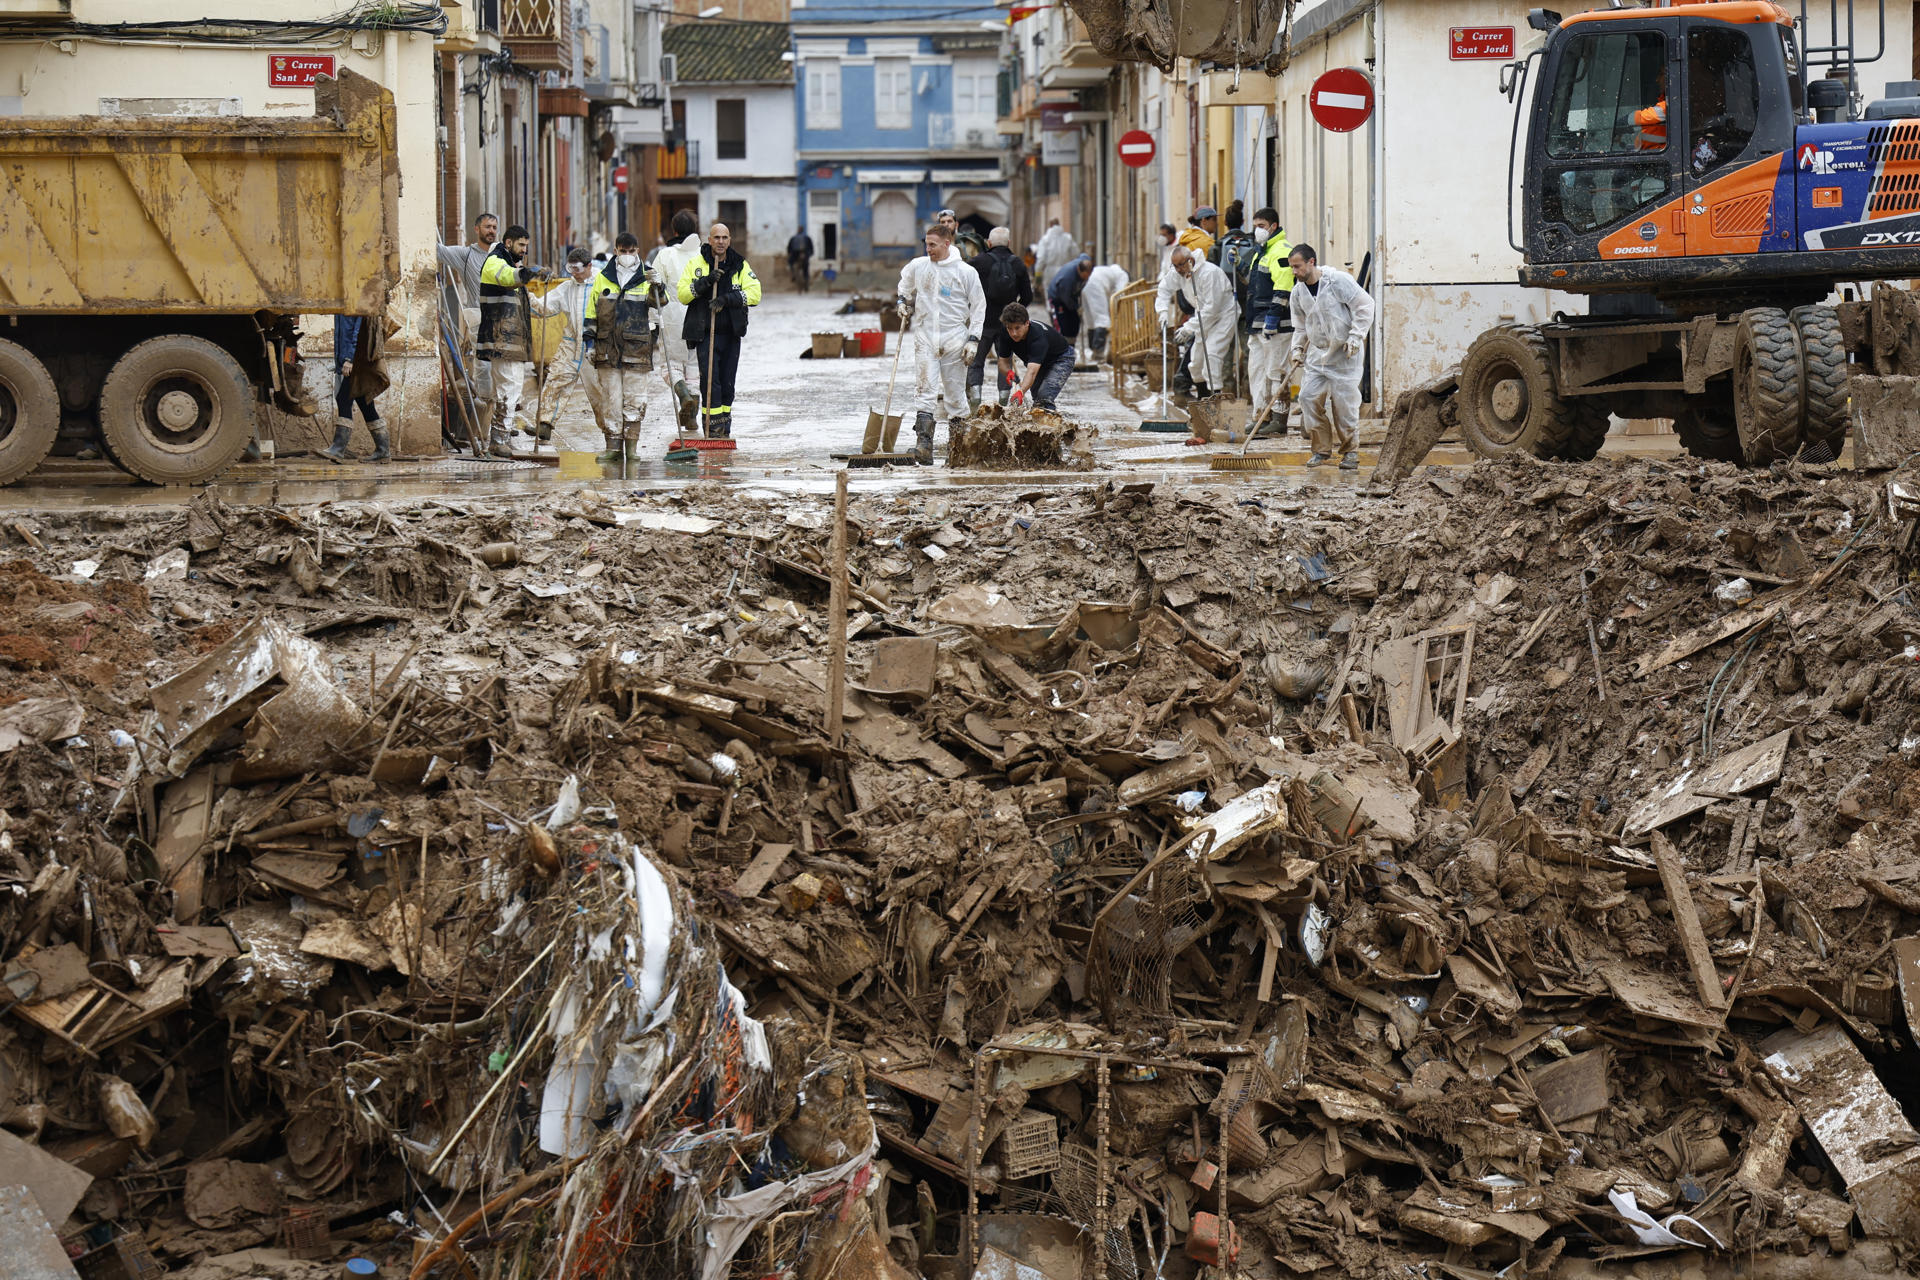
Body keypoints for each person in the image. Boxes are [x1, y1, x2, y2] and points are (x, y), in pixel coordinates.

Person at [895, 222, 985, 464]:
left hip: (955, 338)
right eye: (926, 244)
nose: (928, 249)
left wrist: (974, 339)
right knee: (924, 390)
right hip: (925, 336)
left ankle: (959, 450)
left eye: (933, 245)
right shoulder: (919, 266)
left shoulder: (966, 272)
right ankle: (923, 448)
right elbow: (904, 284)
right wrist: (902, 301)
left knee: (955, 395)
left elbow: (978, 307)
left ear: (947, 244)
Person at [1287, 242, 1374, 470]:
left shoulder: (1338, 282)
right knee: (1307, 397)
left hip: (1345, 354)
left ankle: (1350, 452)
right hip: (1318, 355)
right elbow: (1301, 326)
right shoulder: (1298, 293)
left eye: (1298, 267)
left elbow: (1364, 305)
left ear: (1311, 262)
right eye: (1292, 268)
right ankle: (1321, 450)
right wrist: (1297, 349)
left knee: (1344, 405)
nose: (1294, 272)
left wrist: (1356, 336)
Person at [676, 221, 761, 439]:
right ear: (709, 240)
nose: (720, 242)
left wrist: (728, 299)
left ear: (729, 240)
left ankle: (725, 426)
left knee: (728, 382)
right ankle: (711, 428)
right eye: (716, 238)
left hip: (731, 334)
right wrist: (705, 282)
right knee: (710, 381)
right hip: (705, 333)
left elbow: (755, 294)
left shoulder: (739, 265)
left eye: (724, 238)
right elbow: (683, 295)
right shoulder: (697, 264)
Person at [529, 248, 615, 453]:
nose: (573, 273)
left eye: (577, 269)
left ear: (588, 266)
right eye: (570, 269)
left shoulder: (602, 284)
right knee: (556, 379)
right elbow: (545, 308)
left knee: (600, 392)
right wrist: (528, 296)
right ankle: (544, 425)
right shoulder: (566, 288)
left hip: (596, 345)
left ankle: (611, 435)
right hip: (570, 343)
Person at [588, 232, 658, 461]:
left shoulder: (647, 276)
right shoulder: (603, 277)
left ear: (637, 250)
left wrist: (658, 286)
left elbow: (661, 303)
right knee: (611, 399)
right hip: (607, 348)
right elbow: (592, 312)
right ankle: (613, 448)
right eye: (623, 251)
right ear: (616, 250)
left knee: (635, 398)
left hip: (636, 348)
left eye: (631, 251)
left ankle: (632, 449)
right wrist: (589, 343)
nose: (627, 255)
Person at [477, 222, 539, 455]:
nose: (524, 249)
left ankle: (503, 435)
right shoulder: (495, 262)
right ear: (508, 243)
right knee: (507, 388)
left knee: (511, 388)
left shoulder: (510, 262)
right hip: (500, 339)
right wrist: (527, 273)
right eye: (521, 245)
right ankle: (498, 440)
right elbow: (508, 278)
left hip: (510, 341)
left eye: (526, 246)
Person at [436, 211, 499, 438]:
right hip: (480, 320)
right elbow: (439, 251)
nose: (491, 231)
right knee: (483, 369)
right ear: (477, 229)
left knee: (504, 372)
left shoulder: (502, 255)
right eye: (487, 227)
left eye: (494, 227)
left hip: (503, 320)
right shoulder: (466, 256)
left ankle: (501, 424)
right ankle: (484, 425)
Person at [650, 210, 704, 433]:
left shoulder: (664, 255)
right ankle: (691, 421)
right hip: (698, 318)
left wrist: (652, 322)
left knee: (670, 365)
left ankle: (683, 396)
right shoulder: (703, 255)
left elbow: (653, 288)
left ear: (673, 231)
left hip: (671, 317)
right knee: (694, 368)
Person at [968, 225, 1032, 409]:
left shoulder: (978, 262)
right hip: (1008, 325)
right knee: (1005, 361)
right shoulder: (1018, 264)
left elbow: (965, 290)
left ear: (988, 243)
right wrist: (1015, 315)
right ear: (1009, 243)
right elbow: (1028, 296)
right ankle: (1004, 401)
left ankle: (975, 400)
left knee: (976, 361)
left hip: (982, 321)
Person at [1244, 207, 1295, 438]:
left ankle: (1279, 418)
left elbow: (1284, 284)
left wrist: (1274, 315)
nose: (1258, 230)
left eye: (1262, 226)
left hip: (1276, 324)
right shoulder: (1261, 252)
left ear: (1274, 226)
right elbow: (1256, 284)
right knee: (1257, 371)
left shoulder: (1281, 251)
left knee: (1276, 371)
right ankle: (1261, 416)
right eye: (1255, 226)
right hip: (1257, 322)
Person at [1159, 246, 1235, 399]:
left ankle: (1215, 400)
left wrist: (1188, 328)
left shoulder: (1209, 273)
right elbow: (1164, 288)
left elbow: (1212, 308)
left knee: (1211, 356)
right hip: (1201, 318)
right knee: (1196, 361)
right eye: (1175, 266)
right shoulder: (1178, 273)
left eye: (1181, 265)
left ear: (1191, 260)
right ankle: (1202, 400)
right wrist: (1163, 312)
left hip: (1223, 316)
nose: (1179, 269)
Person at [321, 313, 392, 463]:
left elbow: (359, 332)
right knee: (365, 403)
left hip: (357, 361)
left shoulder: (356, 302)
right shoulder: (343, 305)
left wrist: (350, 359)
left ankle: (338, 448)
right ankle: (383, 450)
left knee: (343, 398)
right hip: (351, 361)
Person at [994, 303, 1075, 411]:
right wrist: (1008, 372)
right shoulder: (1005, 333)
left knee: (1044, 396)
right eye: (1010, 328)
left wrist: (1020, 392)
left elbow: (1031, 372)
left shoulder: (1037, 337)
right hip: (1037, 362)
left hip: (1061, 358)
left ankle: (1050, 423)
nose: (1014, 333)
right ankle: (1041, 421)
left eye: (1017, 328)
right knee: (1037, 397)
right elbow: (1002, 361)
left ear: (1027, 323)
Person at [1080, 261, 1129, 359]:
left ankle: (1093, 347)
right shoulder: (1123, 275)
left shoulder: (1107, 270)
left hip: (1085, 284)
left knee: (1091, 320)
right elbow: (1120, 294)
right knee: (1102, 319)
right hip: (1095, 285)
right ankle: (1098, 351)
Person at [1047, 255, 1093, 344]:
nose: (1086, 279)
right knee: (1063, 325)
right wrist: (1076, 307)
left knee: (1075, 323)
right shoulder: (1067, 278)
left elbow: (1084, 255)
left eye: (1088, 276)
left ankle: (1071, 347)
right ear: (1079, 270)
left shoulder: (1085, 263)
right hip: (1057, 298)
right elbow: (1066, 298)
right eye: (1084, 277)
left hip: (1071, 296)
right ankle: (1061, 348)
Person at [1033, 218, 1077, 290]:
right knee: (1064, 294)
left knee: (1051, 295)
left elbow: (1041, 259)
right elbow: (1075, 254)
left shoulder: (1045, 239)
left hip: (1049, 272)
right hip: (1065, 270)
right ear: (1059, 224)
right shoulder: (1068, 238)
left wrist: (1038, 274)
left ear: (1050, 226)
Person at [786, 227, 815, 293]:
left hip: (795, 255)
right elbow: (811, 248)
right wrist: (809, 255)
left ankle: (792, 273)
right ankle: (806, 284)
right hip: (804, 254)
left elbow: (789, 248)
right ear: (803, 231)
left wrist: (790, 254)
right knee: (806, 269)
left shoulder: (793, 238)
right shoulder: (807, 238)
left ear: (798, 231)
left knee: (790, 262)